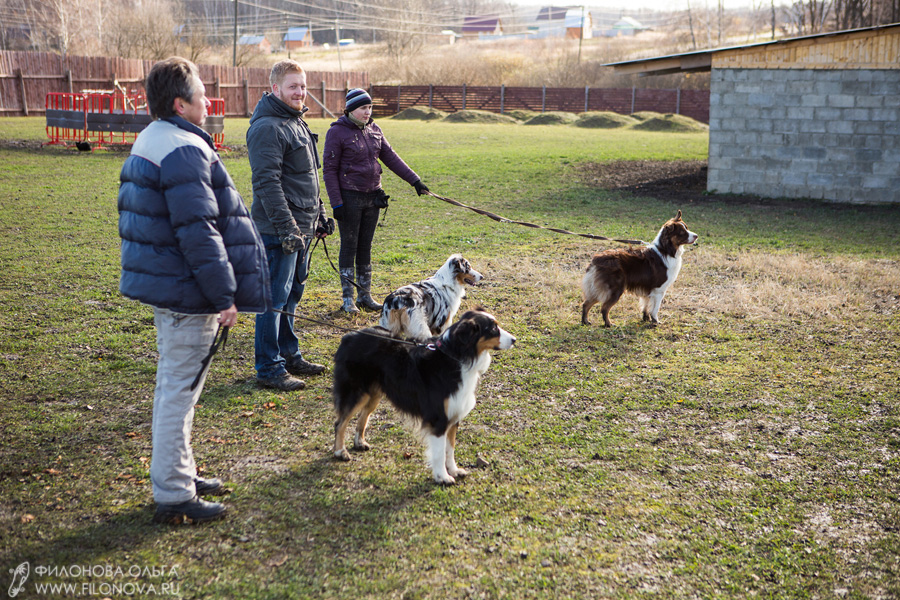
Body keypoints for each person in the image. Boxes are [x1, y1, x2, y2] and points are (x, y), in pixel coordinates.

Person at [118, 57, 270, 524]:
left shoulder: (157, 138)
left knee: (178, 390)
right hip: (188, 294)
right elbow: (198, 232)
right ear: (181, 104)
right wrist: (224, 295)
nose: (209, 101)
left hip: (175, 290)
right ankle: (173, 493)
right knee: (177, 394)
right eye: (202, 95)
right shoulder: (183, 149)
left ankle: (178, 472)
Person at [247, 59, 334, 391]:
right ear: (275, 89)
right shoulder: (268, 127)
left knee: (292, 294)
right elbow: (267, 184)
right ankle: (269, 367)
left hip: (303, 226)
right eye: (293, 86)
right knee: (274, 298)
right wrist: (287, 229)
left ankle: (289, 353)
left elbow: (307, 178)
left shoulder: (295, 122)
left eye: (303, 85)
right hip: (279, 230)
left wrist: (320, 216)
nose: (300, 92)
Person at [323, 88, 430, 313]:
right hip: (349, 198)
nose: (367, 112)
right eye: (363, 108)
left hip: (373, 197)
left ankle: (365, 296)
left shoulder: (375, 129)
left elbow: (391, 157)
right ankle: (348, 299)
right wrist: (336, 203)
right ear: (351, 109)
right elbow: (329, 170)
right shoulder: (337, 133)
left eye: (370, 107)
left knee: (365, 246)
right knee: (349, 246)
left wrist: (415, 181)